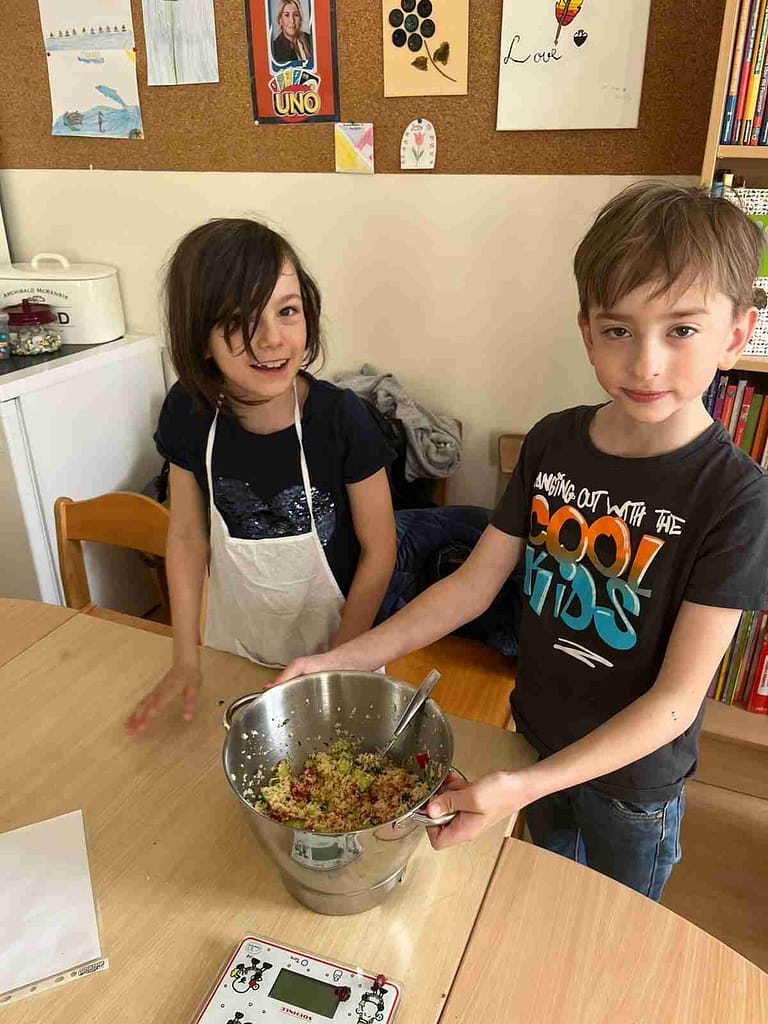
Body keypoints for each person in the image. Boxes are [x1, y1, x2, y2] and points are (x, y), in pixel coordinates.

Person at [271, 182, 768, 900]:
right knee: (542, 897)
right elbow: (472, 587)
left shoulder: (737, 498)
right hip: (532, 738)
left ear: (736, 334)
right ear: (586, 331)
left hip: (632, 786)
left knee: (610, 920)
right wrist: (339, 660)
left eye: (681, 330)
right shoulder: (554, 442)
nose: (646, 363)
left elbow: (675, 702)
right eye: (618, 330)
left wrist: (522, 786)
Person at [125, 218, 396, 735]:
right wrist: (185, 655)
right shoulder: (188, 411)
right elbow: (186, 538)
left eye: (286, 311)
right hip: (236, 649)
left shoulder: (342, 421)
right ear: (200, 338)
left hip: (342, 648)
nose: (271, 339)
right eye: (238, 321)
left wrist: (336, 667)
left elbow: (379, 550)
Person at [272, 0, 312, 64]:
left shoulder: (310, 39)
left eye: (296, 15)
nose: (292, 21)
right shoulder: (274, 49)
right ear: (280, 20)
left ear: (300, 19)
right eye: (287, 15)